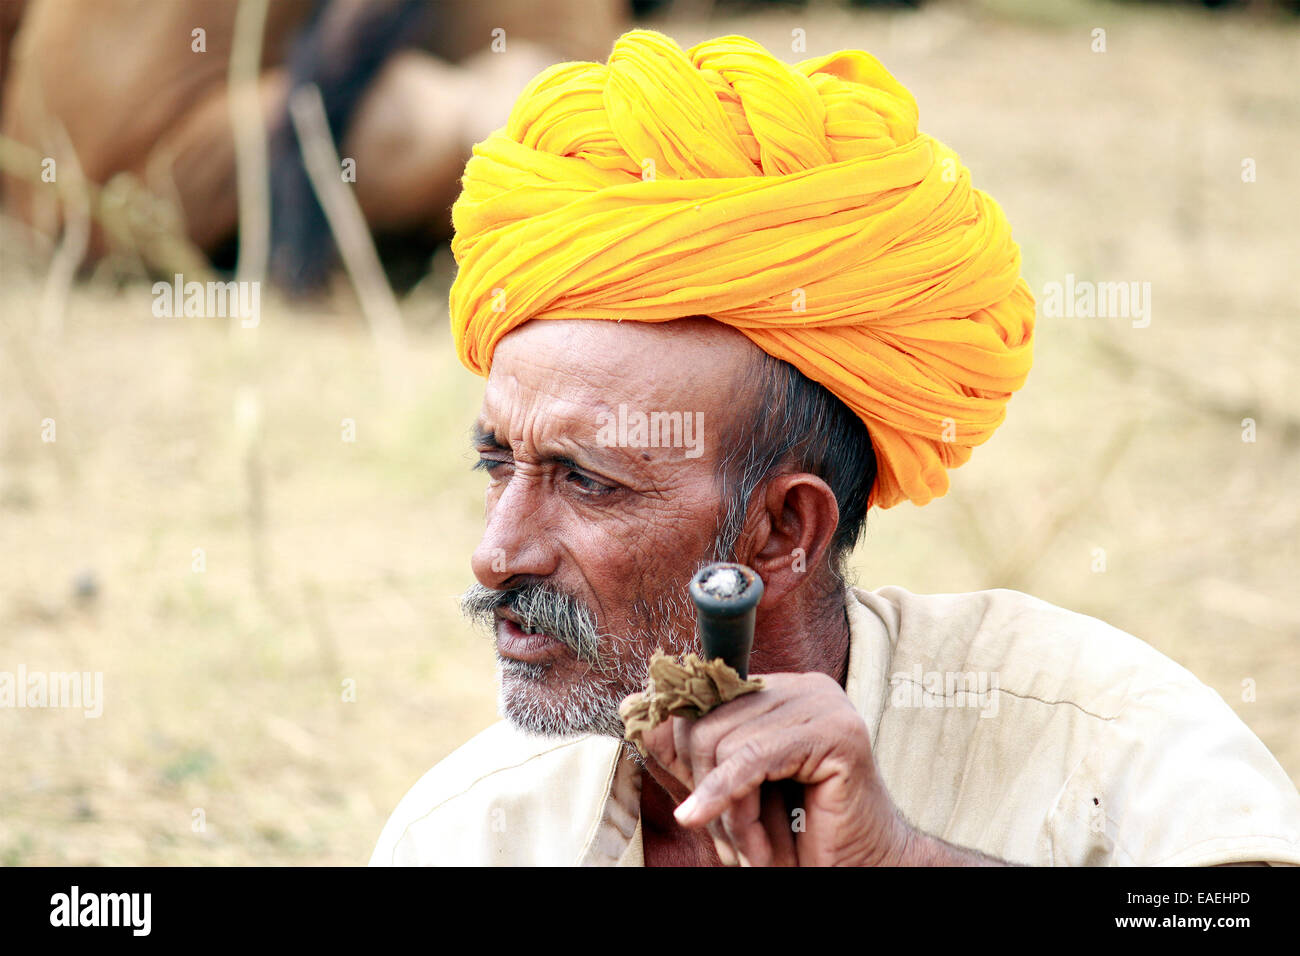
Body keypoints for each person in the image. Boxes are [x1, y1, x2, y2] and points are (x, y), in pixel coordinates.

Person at [370, 30, 1300, 866]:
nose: (496, 553)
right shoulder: (468, 833)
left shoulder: (1096, 738)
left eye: (587, 482)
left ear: (786, 530)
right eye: (499, 463)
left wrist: (898, 860)